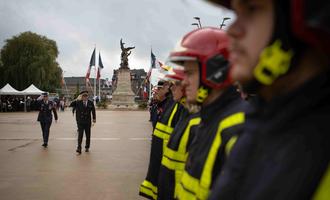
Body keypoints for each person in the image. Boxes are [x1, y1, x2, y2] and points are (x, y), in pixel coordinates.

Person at [207, 0, 330, 199]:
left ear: (305, 19)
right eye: (236, 13)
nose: (232, 30)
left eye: (252, 9)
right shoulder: (261, 123)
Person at [168, 27, 248, 200]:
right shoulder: (209, 121)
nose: (184, 83)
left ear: (215, 73)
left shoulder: (237, 129)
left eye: (189, 74)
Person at [139, 78, 186, 200]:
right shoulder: (169, 107)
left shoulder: (178, 109)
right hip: (164, 176)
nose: (173, 88)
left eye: (175, 85)